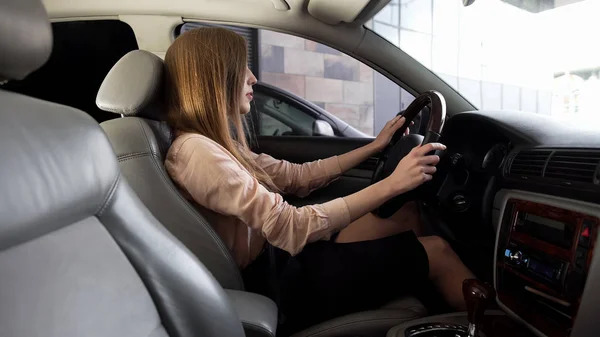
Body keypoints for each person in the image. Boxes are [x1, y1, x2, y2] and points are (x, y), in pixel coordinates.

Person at [163, 27, 475, 332]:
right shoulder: (197, 153)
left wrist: (374, 146)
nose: (253, 77)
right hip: (280, 287)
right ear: (214, 78)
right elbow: (290, 227)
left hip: (283, 259)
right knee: (438, 251)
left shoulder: (212, 144)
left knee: (406, 214)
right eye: (240, 67)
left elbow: (296, 177)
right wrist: (393, 183)